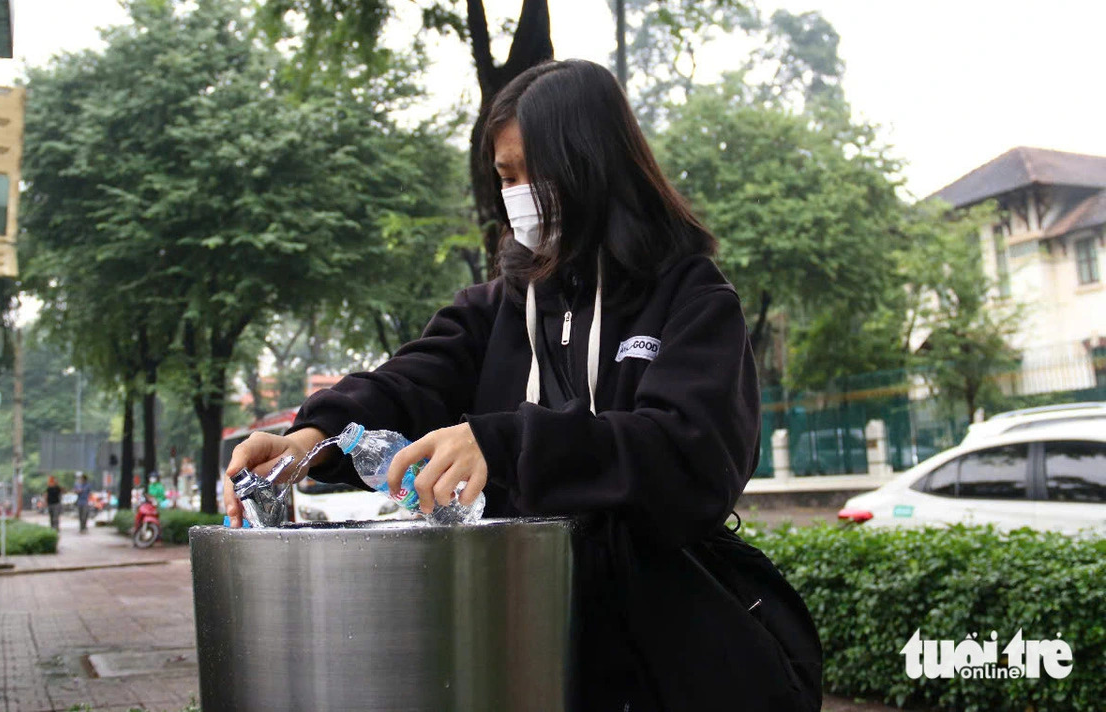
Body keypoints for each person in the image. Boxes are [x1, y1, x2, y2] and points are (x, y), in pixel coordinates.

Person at [224, 59, 822, 711]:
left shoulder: (692, 299)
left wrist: (504, 444)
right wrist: (310, 438)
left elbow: (690, 458)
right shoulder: (498, 306)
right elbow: (408, 381)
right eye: (503, 179)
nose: (513, 197)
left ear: (585, 166)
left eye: (521, 175)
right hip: (510, 642)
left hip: (656, 657)